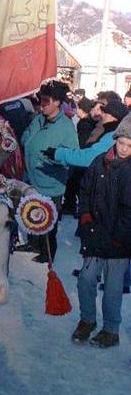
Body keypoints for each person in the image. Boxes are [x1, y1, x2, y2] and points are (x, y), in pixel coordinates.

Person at [72, 114, 131, 347]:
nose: (125, 149)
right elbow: (85, 190)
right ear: (115, 140)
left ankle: (111, 329)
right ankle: (87, 320)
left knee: (113, 290)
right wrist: (85, 214)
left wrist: (120, 237)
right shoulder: (99, 161)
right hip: (95, 232)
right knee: (85, 280)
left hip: (120, 241)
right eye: (122, 143)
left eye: (130, 145)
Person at [19, 81, 79, 262]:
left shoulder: (66, 127)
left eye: (46, 101)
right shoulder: (38, 118)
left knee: (46, 224)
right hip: (31, 179)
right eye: (41, 100)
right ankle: (33, 244)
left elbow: (72, 156)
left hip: (50, 184)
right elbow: (26, 137)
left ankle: (46, 257)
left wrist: (53, 158)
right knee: (31, 216)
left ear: (58, 103)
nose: (41, 104)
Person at [44, 100, 129, 169]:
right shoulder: (106, 130)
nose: (101, 114)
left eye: (105, 113)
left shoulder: (113, 136)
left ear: (113, 117)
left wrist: (58, 153)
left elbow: (90, 157)